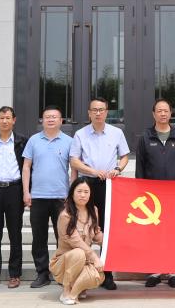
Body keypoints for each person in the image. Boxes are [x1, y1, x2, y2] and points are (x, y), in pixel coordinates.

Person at [68, 97, 129, 290]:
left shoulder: (116, 133)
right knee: (84, 226)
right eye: (94, 110)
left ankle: (106, 274)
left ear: (107, 112)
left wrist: (118, 169)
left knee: (106, 229)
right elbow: (74, 161)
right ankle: (83, 272)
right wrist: (93, 171)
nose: (98, 113)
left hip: (109, 185)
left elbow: (125, 156)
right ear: (89, 113)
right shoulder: (80, 134)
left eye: (101, 110)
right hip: (87, 184)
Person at [134, 97, 175, 288]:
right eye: (159, 111)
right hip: (152, 196)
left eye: (166, 111)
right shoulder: (145, 137)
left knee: (174, 232)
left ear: (170, 113)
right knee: (153, 233)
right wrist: (141, 191)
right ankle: (154, 270)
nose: (163, 114)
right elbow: (140, 166)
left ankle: (173, 271)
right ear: (153, 114)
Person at [22, 105, 73, 289]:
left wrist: (71, 194)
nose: (50, 119)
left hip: (61, 197)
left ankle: (62, 273)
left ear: (61, 121)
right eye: (47, 117)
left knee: (63, 237)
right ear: (42, 120)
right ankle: (42, 273)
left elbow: (74, 168)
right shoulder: (33, 140)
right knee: (39, 237)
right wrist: (26, 191)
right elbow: (26, 167)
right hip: (38, 197)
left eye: (54, 117)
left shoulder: (69, 141)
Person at [0, 106, 27, 289]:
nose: (5, 121)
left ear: (14, 120)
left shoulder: (22, 141)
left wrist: (26, 192)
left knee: (15, 234)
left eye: (8, 118)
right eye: (2, 118)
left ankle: (15, 274)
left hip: (14, 190)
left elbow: (27, 168)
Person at [50, 178, 105, 305]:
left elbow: (96, 234)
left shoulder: (94, 210)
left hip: (85, 260)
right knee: (79, 253)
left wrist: (109, 240)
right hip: (65, 262)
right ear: (72, 193)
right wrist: (94, 257)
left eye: (86, 192)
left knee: (99, 275)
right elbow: (76, 242)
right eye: (79, 191)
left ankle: (74, 292)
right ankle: (66, 291)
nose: (83, 195)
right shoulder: (65, 215)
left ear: (90, 194)